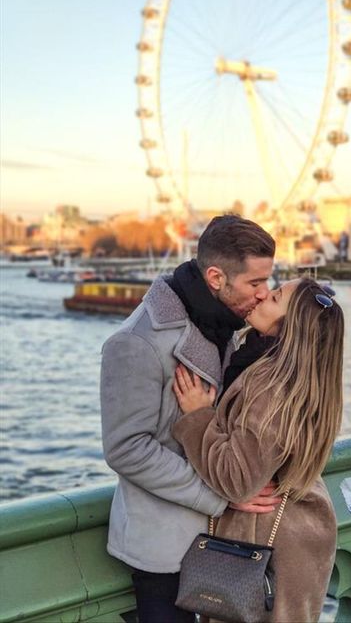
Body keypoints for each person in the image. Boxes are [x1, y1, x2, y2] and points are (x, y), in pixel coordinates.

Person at [100, 215, 280, 623]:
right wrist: (221, 494)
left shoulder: (230, 325)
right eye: (255, 283)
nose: (263, 293)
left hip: (226, 539)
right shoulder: (136, 343)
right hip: (165, 547)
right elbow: (126, 449)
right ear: (216, 277)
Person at [172, 277, 344, 622]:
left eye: (276, 296)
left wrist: (196, 417)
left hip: (265, 543)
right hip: (297, 537)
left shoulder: (271, 387)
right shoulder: (300, 377)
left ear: (289, 325)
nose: (264, 294)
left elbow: (237, 480)